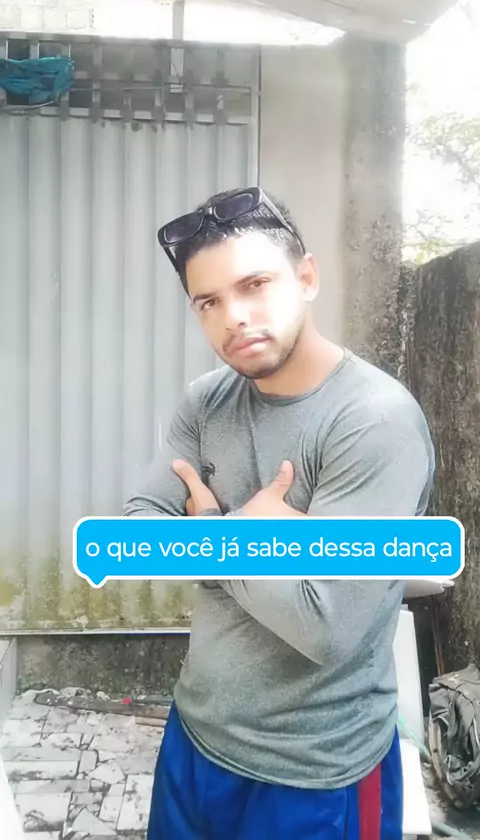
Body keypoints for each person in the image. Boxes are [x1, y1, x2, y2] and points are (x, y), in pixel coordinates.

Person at [123, 186, 435, 840]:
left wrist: (213, 530)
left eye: (255, 285)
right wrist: (257, 541)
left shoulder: (373, 422)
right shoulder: (206, 401)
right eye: (208, 302)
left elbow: (325, 625)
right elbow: (137, 532)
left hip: (315, 774)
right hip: (196, 736)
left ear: (307, 278)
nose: (233, 317)